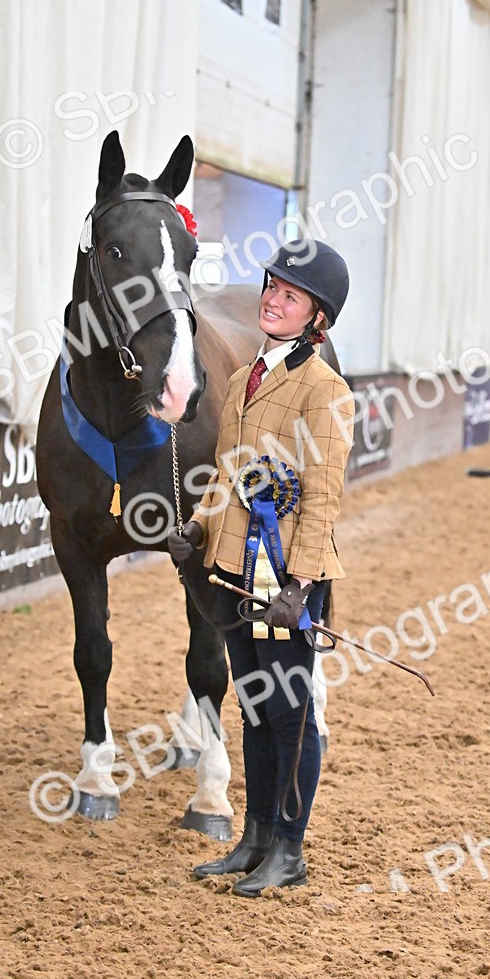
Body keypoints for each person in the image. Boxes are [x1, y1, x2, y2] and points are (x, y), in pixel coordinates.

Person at [168, 240, 354, 897]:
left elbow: (323, 494)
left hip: (284, 581)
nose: (273, 299)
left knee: (289, 712)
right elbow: (227, 474)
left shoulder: (324, 390)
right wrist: (198, 529)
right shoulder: (249, 375)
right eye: (271, 287)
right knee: (253, 706)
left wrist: (299, 585)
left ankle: (290, 850)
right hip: (235, 569)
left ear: (317, 319)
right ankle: (253, 838)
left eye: (290, 295)